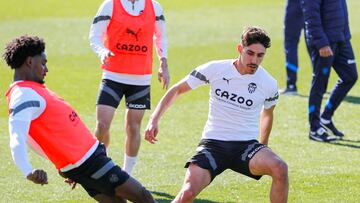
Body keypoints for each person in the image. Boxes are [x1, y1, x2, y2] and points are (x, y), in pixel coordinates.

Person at [3, 35, 156, 203]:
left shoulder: (30, 90)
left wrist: (61, 163)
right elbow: (17, 138)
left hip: (83, 162)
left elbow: (32, 137)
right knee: (143, 196)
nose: (46, 69)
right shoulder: (23, 96)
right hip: (90, 162)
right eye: (43, 63)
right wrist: (28, 171)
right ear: (30, 62)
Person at [145, 26, 288, 203]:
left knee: (280, 168)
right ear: (239, 49)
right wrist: (154, 119)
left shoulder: (268, 83)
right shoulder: (215, 69)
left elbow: (268, 113)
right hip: (213, 145)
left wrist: (263, 145)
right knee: (188, 192)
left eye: (260, 55)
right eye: (250, 53)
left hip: (246, 147)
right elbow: (177, 90)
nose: (254, 60)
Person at [89, 0, 169, 175]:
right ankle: (104, 166)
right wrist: (102, 51)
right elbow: (94, 35)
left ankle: (127, 175)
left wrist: (163, 63)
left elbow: (160, 36)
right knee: (102, 125)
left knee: (133, 127)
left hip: (141, 78)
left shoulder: (154, 7)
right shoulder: (110, 5)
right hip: (112, 76)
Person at [302, 0, 358, 142]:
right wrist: (321, 43)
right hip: (324, 42)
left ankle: (325, 117)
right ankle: (314, 128)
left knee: (350, 76)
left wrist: (345, 35)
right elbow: (310, 15)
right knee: (320, 84)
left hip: (342, 38)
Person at [280, 0, 304, 95]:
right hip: (315, 4)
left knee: (290, 44)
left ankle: (291, 85)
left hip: (295, 5)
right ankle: (321, 84)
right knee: (315, 43)